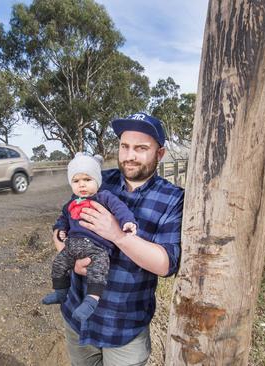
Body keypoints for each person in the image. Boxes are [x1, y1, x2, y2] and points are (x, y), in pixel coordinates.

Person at [51, 113, 184, 366]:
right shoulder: (98, 181)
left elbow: (166, 263)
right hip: (77, 317)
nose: (129, 155)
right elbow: (61, 224)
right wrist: (67, 254)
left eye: (141, 148)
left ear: (160, 153)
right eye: (125, 146)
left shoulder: (173, 198)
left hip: (124, 326)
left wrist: (116, 234)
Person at [42, 152, 138, 323]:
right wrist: (60, 230)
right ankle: (60, 292)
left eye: (87, 180)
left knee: (98, 270)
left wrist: (128, 221)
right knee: (59, 263)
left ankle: (91, 301)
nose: (82, 185)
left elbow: (120, 209)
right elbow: (62, 218)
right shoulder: (72, 202)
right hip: (72, 246)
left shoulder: (104, 197)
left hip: (98, 247)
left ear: (97, 181)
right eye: (76, 181)